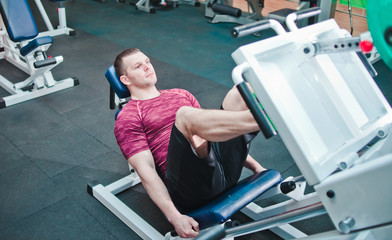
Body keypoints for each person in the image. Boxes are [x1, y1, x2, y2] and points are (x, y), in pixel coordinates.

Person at [113, 48, 265, 238]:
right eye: (138, 66)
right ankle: (266, 117)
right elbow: (146, 171)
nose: (147, 67)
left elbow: (215, 131)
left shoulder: (180, 94)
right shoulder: (129, 116)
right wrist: (174, 217)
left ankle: (264, 117)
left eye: (147, 61)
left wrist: (257, 168)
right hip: (190, 189)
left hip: (224, 171)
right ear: (126, 80)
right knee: (185, 116)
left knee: (241, 91)